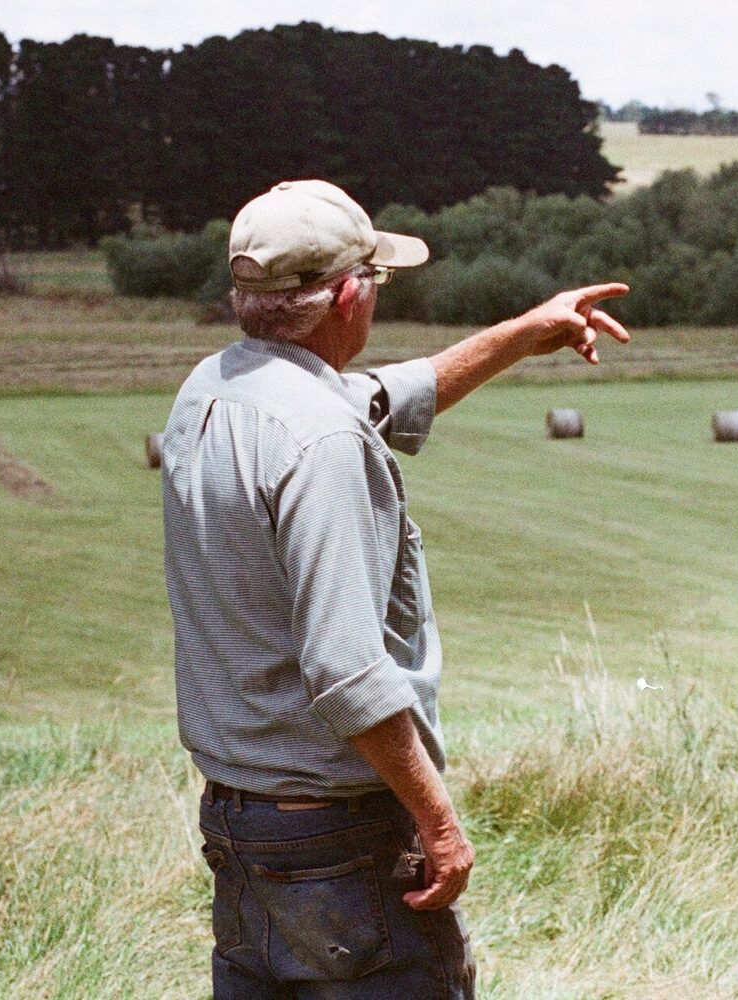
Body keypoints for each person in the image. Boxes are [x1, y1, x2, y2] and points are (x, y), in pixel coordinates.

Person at [161, 179, 630, 998]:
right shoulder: (322, 441)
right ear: (347, 294)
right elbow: (345, 673)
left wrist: (525, 333)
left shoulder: (214, 388)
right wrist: (438, 823)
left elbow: (387, 395)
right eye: (373, 281)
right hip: (338, 838)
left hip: (241, 823)